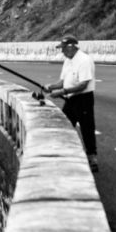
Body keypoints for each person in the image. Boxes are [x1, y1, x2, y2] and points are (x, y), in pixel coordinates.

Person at [43, 35, 98, 172]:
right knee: (64, 125)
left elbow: (83, 85)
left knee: (87, 128)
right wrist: (51, 87)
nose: (62, 52)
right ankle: (65, 154)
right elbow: (63, 81)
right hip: (71, 99)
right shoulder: (68, 60)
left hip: (83, 99)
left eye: (63, 49)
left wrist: (62, 92)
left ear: (71, 47)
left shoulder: (84, 60)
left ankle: (92, 158)